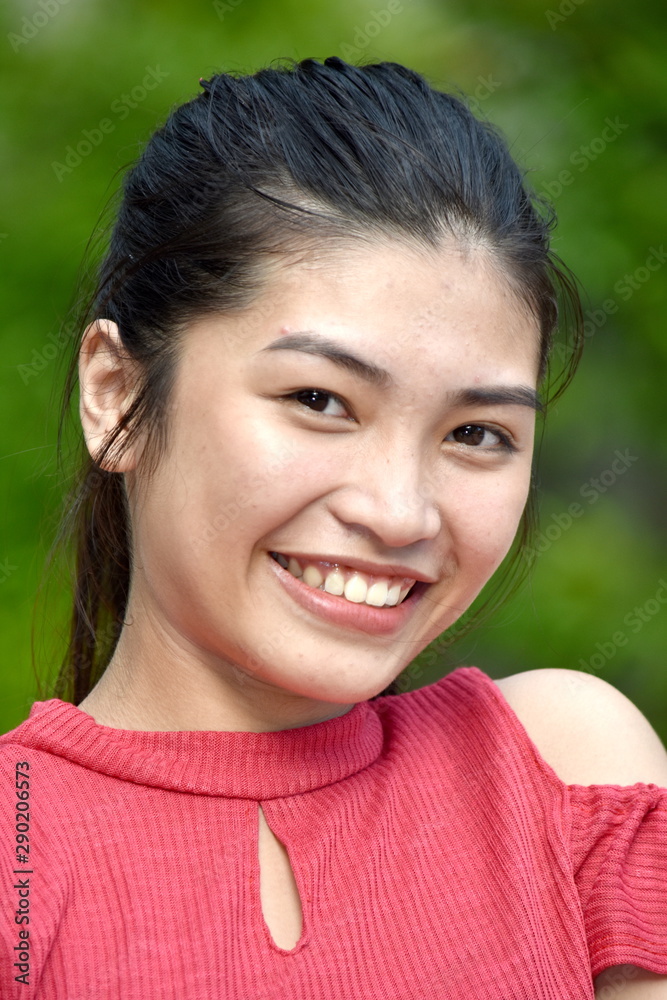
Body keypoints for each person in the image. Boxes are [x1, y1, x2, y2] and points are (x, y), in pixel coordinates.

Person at [1, 56, 666, 999]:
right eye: (318, 400)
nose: (398, 512)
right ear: (114, 395)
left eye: (475, 434)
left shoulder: (569, 776)